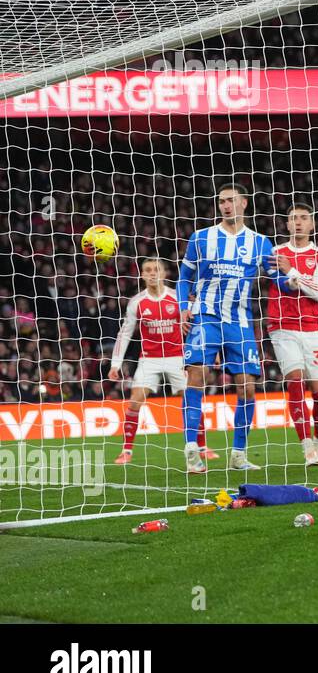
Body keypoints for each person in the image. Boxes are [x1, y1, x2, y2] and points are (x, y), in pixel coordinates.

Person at [178, 183, 289, 474]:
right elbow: (183, 278)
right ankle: (192, 448)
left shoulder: (261, 243)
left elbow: (278, 281)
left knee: (248, 388)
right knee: (196, 376)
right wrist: (183, 306)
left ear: (244, 203)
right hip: (206, 316)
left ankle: (238, 454)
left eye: (230, 200)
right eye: (221, 201)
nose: (225, 205)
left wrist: (291, 273)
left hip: (239, 322)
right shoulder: (201, 238)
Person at [107, 257, 191, 465]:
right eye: (148, 270)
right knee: (135, 401)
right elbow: (125, 333)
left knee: (191, 399)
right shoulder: (137, 302)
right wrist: (115, 364)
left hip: (177, 356)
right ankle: (126, 451)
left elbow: (196, 325)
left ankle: (202, 446)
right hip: (149, 359)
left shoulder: (177, 297)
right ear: (142, 275)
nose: (153, 273)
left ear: (163, 273)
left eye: (156, 270)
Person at [268, 203, 318, 466]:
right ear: (286, 224)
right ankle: (307, 447)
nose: (297, 223)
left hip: (314, 329)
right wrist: (295, 279)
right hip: (282, 327)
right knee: (295, 380)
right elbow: (281, 282)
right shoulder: (275, 252)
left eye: (303, 218)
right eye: (293, 218)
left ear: (312, 224)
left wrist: (292, 273)